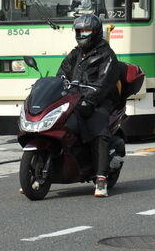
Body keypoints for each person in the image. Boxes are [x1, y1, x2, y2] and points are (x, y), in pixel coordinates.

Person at [57, 14, 118, 197]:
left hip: (98, 102)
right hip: (74, 100)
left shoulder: (106, 55)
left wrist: (89, 100)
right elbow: (61, 74)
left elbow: (104, 84)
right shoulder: (75, 54)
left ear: (96, 32)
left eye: (86, 31)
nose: (82, 35)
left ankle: (101, 178)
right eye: (79, 31)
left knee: (98, 130)